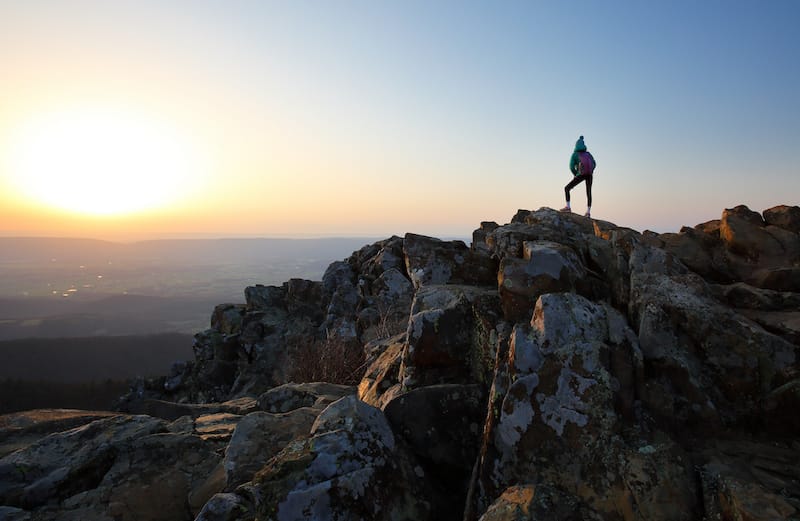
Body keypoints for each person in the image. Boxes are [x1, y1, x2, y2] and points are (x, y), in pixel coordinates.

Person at [560, 135, 596, 217]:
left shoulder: (575, 154)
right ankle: (588, 212)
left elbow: (571, 166)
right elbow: (594, 163)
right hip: (589, 174)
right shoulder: (588, 154)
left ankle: (568, 207)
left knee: (567, 188)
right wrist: (591, 171)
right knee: (588, 192)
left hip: (581, 174)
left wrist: (576, 174)